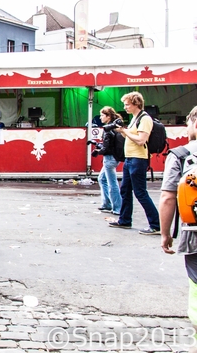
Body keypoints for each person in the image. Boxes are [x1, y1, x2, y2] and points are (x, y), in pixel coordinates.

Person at [159, 105, 197, 338]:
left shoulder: (181, 155)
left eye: (189, 122)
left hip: (194, 231)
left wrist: (165, 234)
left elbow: (168, 197)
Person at [109, 91, 160, 234]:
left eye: (127, 105)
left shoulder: (145, 119)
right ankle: (124, 220)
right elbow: (132, 137)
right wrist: (122, 132)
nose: (125, 107)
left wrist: (125, 132)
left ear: (136, 104)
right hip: (130, 158)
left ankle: (155, 224)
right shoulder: (134, 118)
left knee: (140, 192)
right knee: (125, 190)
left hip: (138, 159)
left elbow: (141, 140)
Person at [91, 107, 123, 216]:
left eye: (102, 115)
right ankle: (107, 203)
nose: (100, 117)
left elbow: (106, 148)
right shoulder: (113, 128)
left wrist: (97, 151)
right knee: (102, 178)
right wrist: (97, 145)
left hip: (109, 158)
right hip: (113, 157)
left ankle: (117, 207)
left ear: (108, 116)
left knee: (112, 183)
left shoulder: (108, 130)